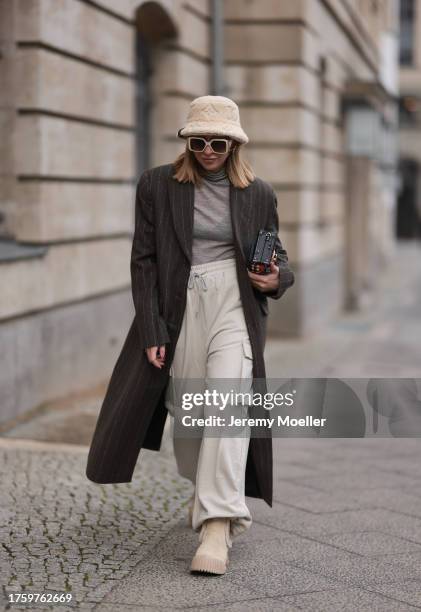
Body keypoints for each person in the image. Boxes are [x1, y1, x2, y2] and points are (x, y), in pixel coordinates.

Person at [144, 95, 293, 575]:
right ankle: (204, 489)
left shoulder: (258, 192)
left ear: (234, 145)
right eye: (200, 141)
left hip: (236, 303)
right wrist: (151, 326)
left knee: (227, 403)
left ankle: (217, 525)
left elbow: (278, 257)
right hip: (180, 304)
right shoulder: (157, 186)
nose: (209, 150)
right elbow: (143, 260)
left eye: (220, 143)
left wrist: (276, 278)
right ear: (187, 141)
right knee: (188, 411)